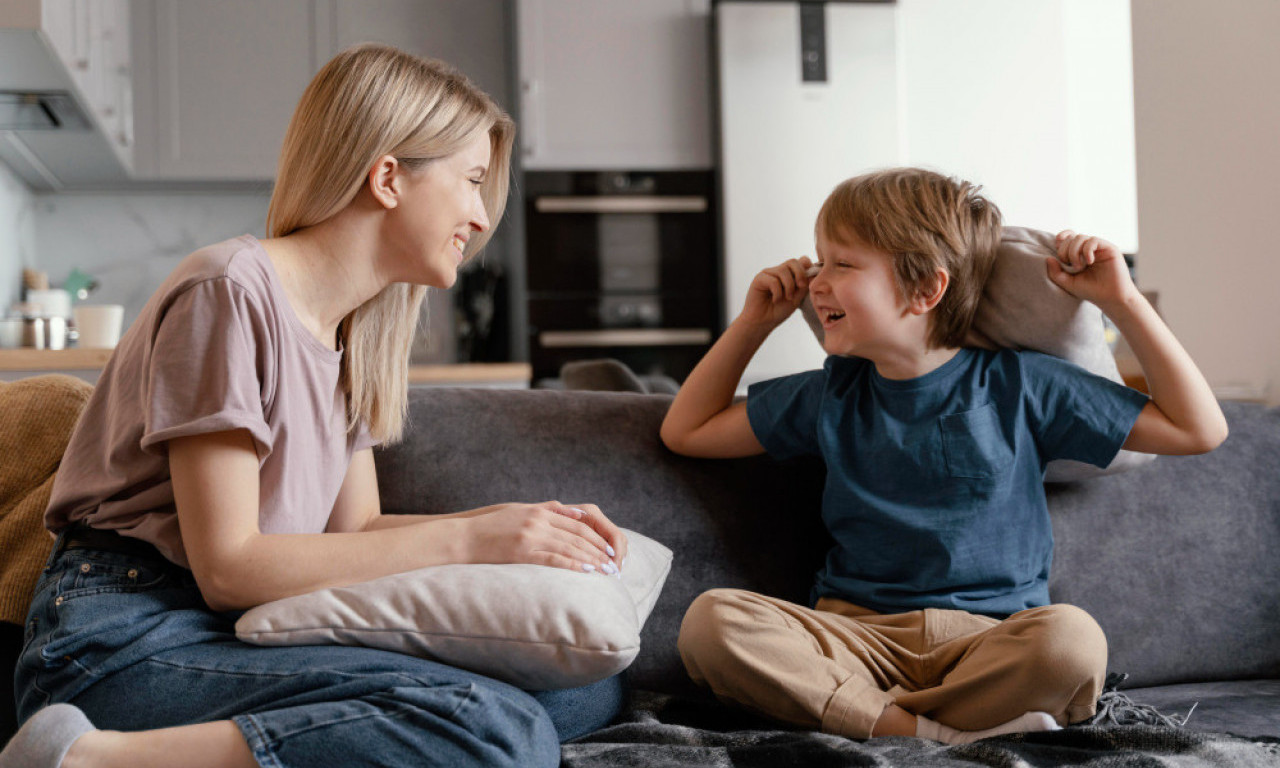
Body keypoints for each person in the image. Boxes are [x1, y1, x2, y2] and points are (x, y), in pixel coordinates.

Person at [1, 44, 629, 768]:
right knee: (501, 729)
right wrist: (474, 543)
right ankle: (79, 757)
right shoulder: (229, 293)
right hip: (128, 635)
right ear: (388, 177)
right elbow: (229, 566)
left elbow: (356, 528)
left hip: (238, 626)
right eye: (472, 181)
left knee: (586, 692)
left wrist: (519, 526)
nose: (482, 217)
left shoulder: (346, 334)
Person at [661, 168, 1227, 744]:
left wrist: (1123, 299)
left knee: (1072, 641)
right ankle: (942, 734)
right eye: (819, 261)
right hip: (855, 638)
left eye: (842, 264)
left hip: (988, 641)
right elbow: (688, 431)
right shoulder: (829, 393)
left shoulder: (1024, 385)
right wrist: (753, 323)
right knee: (712, 621)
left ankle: (874, 721)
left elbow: (1198, 429)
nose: (815, 282)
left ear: (926, 290)